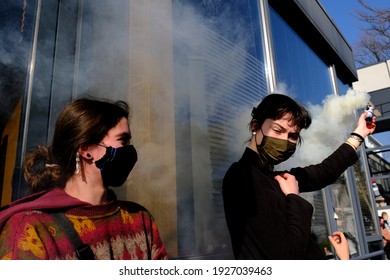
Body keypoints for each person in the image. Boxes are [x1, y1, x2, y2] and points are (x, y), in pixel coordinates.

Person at [0, 97, 168, 260]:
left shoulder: (139, 218)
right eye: (122, 141)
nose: (130, 150)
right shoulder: (31, 229)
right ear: (87, 149)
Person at [222, 93, 376, 260]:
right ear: (255, 126)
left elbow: (324, 172)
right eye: (277, 130)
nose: (284, 140)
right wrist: (293, 197)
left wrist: (360, 133)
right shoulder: (243, 177)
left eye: (293, 136)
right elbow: (287, 256)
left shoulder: (271, 177)